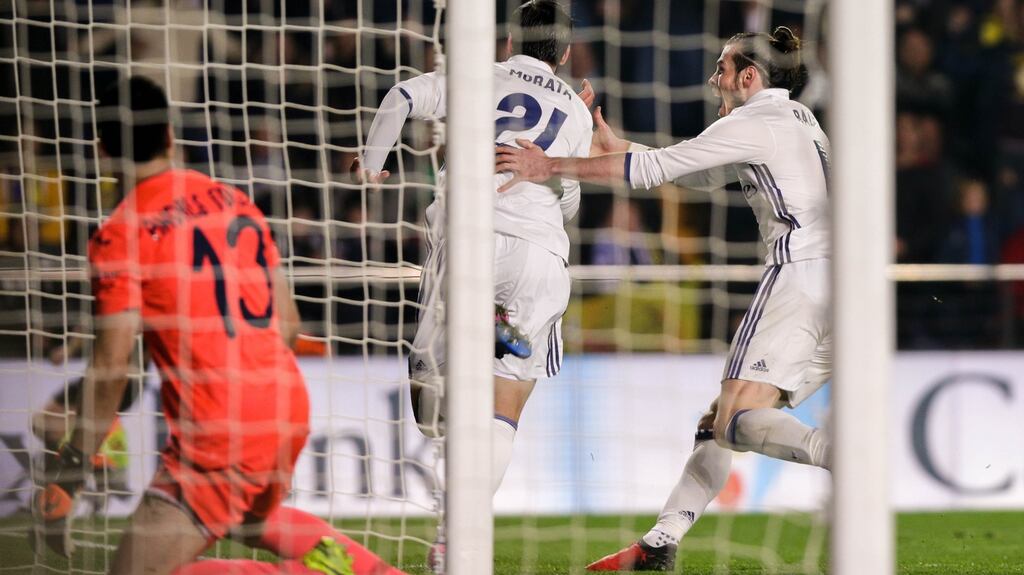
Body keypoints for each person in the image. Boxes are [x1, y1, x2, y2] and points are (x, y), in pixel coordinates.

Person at [32, 76, 406, 575]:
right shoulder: (235, 202)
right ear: (170, 134)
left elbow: (112, 366)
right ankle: (370, 568)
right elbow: (288, 323)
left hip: (218, 426)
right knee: (250, 520)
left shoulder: (121, 233)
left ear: (101, 151)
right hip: (284, 405)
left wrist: (71, 471)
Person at [497, 27, 833, 571]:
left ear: (750, 77)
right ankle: (661, 542)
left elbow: (656, 172)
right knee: (718, 422)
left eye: (722, 68)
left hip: (800, 276)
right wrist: (618, 145)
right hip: (844, 289)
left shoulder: (756, 120)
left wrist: (549, 166)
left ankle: (848, 457)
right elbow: (702, 175)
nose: (712, 79)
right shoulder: (799, 120)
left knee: (737, 422)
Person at [357, 0, 591, 500]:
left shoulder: (478, 75)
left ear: (508, 42)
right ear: (566, 54)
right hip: (540, 255)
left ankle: (478, 335)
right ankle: (456, 540)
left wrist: (372, 165)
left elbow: (401, 95)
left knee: (429, 413)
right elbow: (569, 202)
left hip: (469, 238)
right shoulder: (576, 109)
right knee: (502, 413)